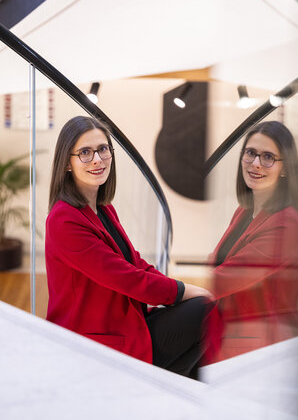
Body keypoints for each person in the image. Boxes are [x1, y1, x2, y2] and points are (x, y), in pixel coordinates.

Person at [45, 115, 220, 379]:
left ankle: (164, 393)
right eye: (84, 152)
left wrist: (181, 291)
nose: (97, 159)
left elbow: (135, 263)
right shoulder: (64, 219)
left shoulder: (103, 209)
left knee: (202, 319)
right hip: (95, 341)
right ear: (67, 163)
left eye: (103, 149)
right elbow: (128, 278)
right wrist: (188, 291)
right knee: (204, 312)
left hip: (126, 324)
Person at [210, 121, 298, 361]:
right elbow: (214, 264)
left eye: (268, 157)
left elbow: (223, 280)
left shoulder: (287, 224)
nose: (256, 164)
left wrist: (168, 286)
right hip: (230, 338)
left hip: (263, 348)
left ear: (285, 169)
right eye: (250, 153)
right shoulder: (244, 211)